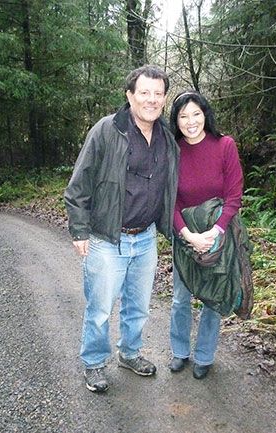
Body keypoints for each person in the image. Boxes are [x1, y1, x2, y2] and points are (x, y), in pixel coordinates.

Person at [64, 65, 179, 393]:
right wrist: (79, 230)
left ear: (164, 98)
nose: (151, 100)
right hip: (106, 239)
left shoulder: (167, 137)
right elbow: (79, 182)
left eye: (158, 94)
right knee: (100, 308)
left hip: (145, 238)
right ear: (130, 95)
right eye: (144, 92)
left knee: (138, 306)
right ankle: (94, 363)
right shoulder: (106, 130)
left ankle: (129, 353)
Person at [167, 91, 244, 380]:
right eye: (183, 116)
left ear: (205, 115)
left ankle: (204, 356)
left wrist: (215, 231)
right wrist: (186, 234)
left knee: (212, 299)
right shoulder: (172, 151)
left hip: (218, 235)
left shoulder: (225, 146)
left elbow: (234, 195)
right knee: (180, 298)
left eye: (196, 114)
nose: (190, 121)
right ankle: (180, 352)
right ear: (176, 121)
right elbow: (170, 199)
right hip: (184, 235)